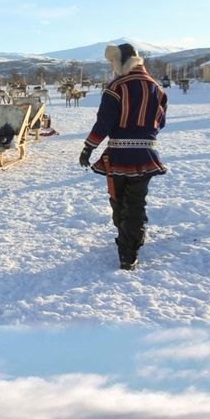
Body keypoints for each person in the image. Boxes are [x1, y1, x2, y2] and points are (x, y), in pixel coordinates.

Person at [78, 42, 168, 270]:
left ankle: (126, 250)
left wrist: (89, 147)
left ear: (121, 62)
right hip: (147, 153)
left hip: (119, 155)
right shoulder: (157, 88)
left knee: (119, 199)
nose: (111, 66)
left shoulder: (116, 86)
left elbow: (104, 123)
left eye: (112, 62)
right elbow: (161, 122)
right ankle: (133, 242)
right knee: (136, 202)